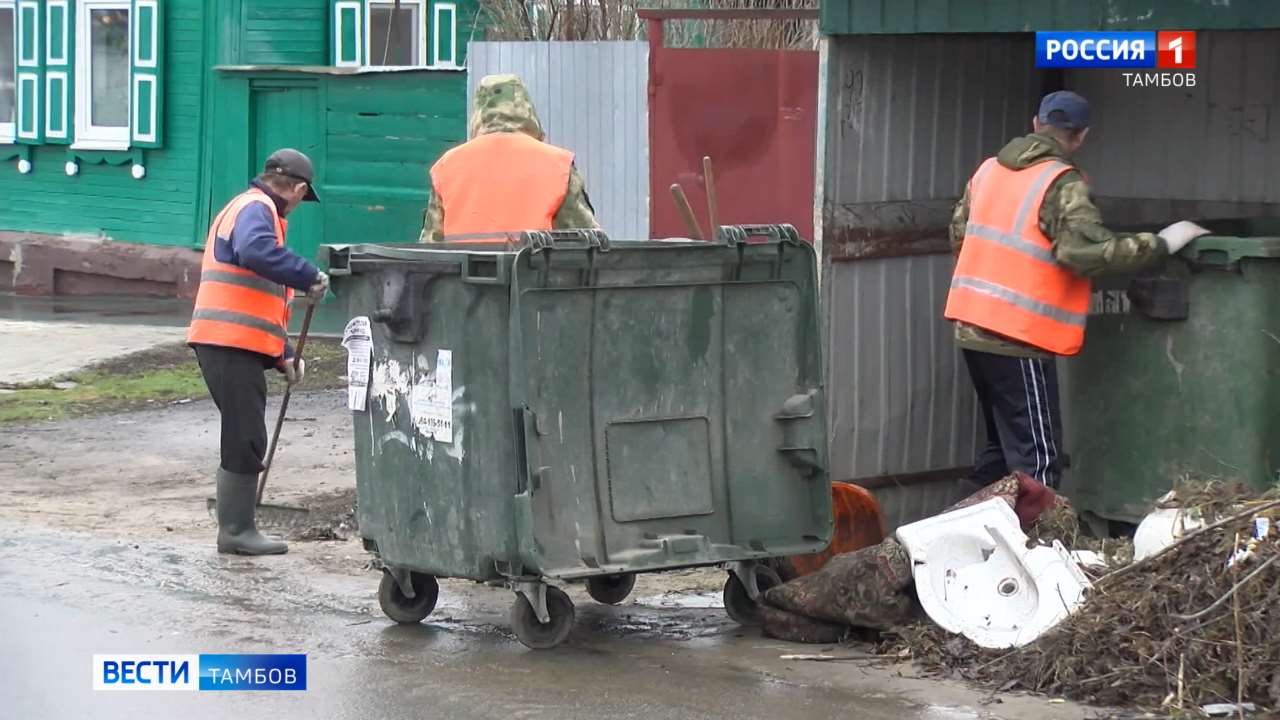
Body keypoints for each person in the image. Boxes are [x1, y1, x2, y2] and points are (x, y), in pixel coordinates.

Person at [944, 91, 1208, 490]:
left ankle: (956, 536)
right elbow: (1084, 252)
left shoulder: (988, 171)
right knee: (1039, 462)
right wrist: (1162, 244)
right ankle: (1035, 549)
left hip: (972, 326)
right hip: (1018, 336)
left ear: (1036, 123)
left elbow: (958, 234)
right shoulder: (1061, 183)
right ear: (1081, 136)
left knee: (1000, 453)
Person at [187, 148, 330, 555]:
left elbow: (258, 298)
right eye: (304, 197)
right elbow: (256, 252)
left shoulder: (250, 207)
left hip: (232, 341)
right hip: (225, 341)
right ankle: (236, 531)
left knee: (243, 432)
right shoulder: (257, 208)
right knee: (245, 434)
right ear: (299, 189)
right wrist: (308, 274)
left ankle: (237, 528)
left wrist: (281, 353)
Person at [419, 74, 598, 243]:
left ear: (478, 113)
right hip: (538, 275)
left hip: (459, 276)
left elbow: (430, 250)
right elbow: (588, 243)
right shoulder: (558, 166)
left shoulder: (446, 167)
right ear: (527, 109)